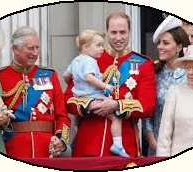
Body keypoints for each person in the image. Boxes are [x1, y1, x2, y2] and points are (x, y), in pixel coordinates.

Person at [65, 11, 156, 157]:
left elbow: (147, 106)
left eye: (123, 32)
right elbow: (69, 99)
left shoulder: (143, 64)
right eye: (114, 32)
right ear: (106, 32)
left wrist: (117, 105)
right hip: (89, 143)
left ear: (130, 32)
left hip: (124, 145)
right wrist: (90, 105)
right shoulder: (89, 59)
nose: (118, 37)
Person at [0, 26, 71, 158]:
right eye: (30, 48)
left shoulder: (49, 75)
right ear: (15, 49)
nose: (35, 53)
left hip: (47, 149)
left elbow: (62, 115)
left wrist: (61, 140)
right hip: (13, 147)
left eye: (37, 47)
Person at [64, 30, 129, 157]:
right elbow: (89, 78)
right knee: (116, 117)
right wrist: (105, 85)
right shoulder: (90, 61)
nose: (102, 49)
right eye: (98, 45)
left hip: (80, 98)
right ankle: (118, 145)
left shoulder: (76, 60)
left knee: (79, 120)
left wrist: (76, 85)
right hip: (93, 96)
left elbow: (66, 76)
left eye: (102, 45)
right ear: (86, 47)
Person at [143, 16, 190, 156]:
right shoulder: (154, 73)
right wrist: (151, 139)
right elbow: (148, 112)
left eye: (165, 43)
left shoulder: (190, 75)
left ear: (179, 47)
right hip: (156, 147)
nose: (159, 47)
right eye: (159, 43)